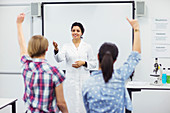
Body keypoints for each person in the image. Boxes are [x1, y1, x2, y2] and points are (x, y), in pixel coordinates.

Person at [82, 18, 141, 113]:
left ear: (98, 56)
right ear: (115, 60)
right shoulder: (119, 77)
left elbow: (88, 108)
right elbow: (135, 55)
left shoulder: (87, 84)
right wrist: (136, 28)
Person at [16, 13, 68, 113]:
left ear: (30, 48)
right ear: (47, 49)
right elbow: (61, 103)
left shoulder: (26, 66)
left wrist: (19, 24)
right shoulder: (55, 72)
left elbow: (22, 45)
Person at [53, 22, 97, 113]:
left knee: (84, 104)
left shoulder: (87, 47)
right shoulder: (66, 46)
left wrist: (83, 63)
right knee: (71, 103)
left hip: (84, 80)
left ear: (82, 33)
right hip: (71, 81)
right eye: (73, 30)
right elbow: (59, 59)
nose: (75, 32)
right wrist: (56, 50)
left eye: (78, 30)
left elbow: (94, 63)